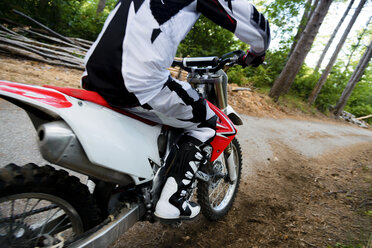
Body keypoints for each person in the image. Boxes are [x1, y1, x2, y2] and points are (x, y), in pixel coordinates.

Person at [82, 0, 270, 220]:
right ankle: (173, 201)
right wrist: (257, 52)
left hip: (93, 73)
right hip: (136, 82)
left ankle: (94, 188)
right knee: (208, 122)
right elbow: (257, 28)